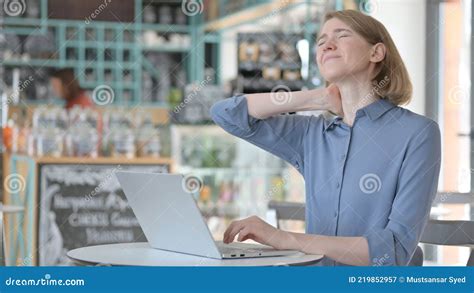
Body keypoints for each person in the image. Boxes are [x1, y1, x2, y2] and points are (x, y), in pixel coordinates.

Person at [210, 10, 441, 266]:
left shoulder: (418, 133)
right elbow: (226, 114)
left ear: (376, 53)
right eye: (320, 42)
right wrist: (315, 98)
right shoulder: (313, 133)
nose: (327, 45)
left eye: (342, 36)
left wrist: (282, 238)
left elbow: (393, 251)